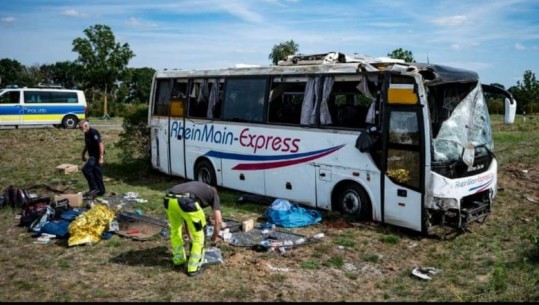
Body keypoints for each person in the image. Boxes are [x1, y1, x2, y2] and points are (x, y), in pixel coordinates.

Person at [164, 181, 223, 276]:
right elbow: (218, 220)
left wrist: (190, 237)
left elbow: (188, 219)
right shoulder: (214, 193)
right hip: (186, 201)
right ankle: (193, 268)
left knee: (175, 230)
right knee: (200, 234)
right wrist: (214, 237)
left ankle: (178, 260)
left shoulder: (198, 188)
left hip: (169, 198)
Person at [78, 119, 106, 197]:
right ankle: (101, 191)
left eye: (81, 127)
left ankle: (94, 188)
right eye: (79, 128)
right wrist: (83, 154)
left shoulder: (93, 132)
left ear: (86, 126)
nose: (80, 129)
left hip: (96, 156)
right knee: (96, 173)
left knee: (86, 169)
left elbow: (101, 145)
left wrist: (101, 157)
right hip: (92, 155)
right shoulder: (86, 133)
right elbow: (87, 145)